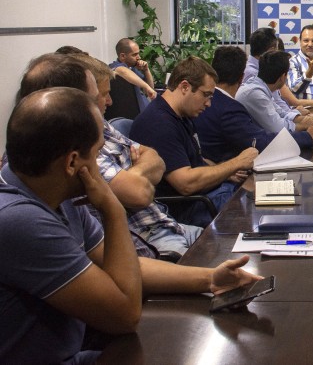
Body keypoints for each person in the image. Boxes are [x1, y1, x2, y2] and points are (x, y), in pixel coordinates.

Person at [0, 87, 263, 363]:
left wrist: (209, 279)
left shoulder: (51, 190)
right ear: (73, 162)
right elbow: (124, 314)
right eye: (99, 152)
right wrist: (112, 208)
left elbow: (128, 265)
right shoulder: (20, 221)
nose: (101, 163)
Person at [71, 54, 203, 256]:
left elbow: (155, 158)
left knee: (226, 244)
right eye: (103, 94)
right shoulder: (81, 149)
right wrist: (139, 174)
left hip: (166, 224)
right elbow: (139, 194)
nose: (110, 101)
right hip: (148, 238)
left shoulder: (103, 126)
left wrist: (132, 173)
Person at [129, 57, 258, 227]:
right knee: (264, 210)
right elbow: (186, 184)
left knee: (268, 198)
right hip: (191, 208)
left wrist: (224, 172)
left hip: (206, 197)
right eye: (206, 95)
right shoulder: (159, 123)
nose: (209, 103)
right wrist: (236, 163)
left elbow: (195, 162)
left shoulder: (180, 116)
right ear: (184, 87)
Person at [195, 46, 313, 163]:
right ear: (241, 77)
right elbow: (260, 141)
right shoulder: (229, 108)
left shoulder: (207, 101)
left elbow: (280, 113)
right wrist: (307, 137)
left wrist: (303, 121)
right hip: (229, 177)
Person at [237, 50, 313, 134]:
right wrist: (305, 125)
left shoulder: (260, 87)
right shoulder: (255, 94)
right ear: (283, 77)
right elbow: (278, 128)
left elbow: (281, 113)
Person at [109, 38, 157, 108]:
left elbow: (151, 88)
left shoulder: (132, 68)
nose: (139, 57)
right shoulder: (114, 66)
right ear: (123, 56)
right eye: (134, 55)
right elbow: (122, 70)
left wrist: (146, 70)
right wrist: (146, 86)